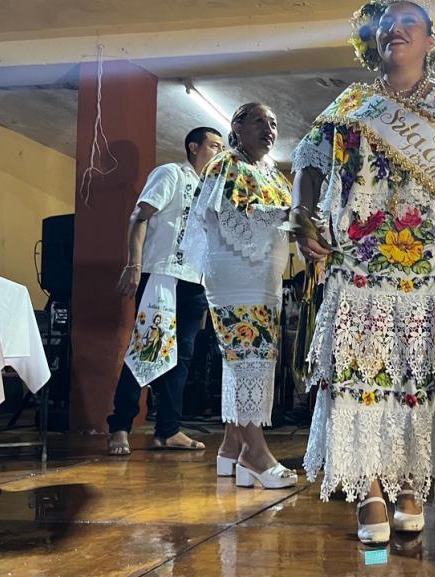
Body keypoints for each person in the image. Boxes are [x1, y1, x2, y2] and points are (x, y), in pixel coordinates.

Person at [290, 0, 435, 544]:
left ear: (432, 40)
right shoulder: (353, 103)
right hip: (362, 268)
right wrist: (302, 217)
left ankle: (410, 483)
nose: (395, 30)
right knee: (363, 379)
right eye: (387, 24)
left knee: (423, 379)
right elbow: (306, 160)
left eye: (410, 23)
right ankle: (369, 490)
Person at [181, 103, 297, 489]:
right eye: (260, 121)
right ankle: (255, 452)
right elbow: (237, 217)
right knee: (248, 355)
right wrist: (285, 216)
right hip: (236, 276)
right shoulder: (227, 165)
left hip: (265, 277)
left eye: (274, 122)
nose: (269, 129)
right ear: (237, 126)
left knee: (251, 360)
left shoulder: (271, 173)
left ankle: (231, 447)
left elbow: (287, 214)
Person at [106, 127, 221, 456]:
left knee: (181, 357)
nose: (219, 152)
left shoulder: (212, 190)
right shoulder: (171, 173)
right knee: (147, 346)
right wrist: (133, 264)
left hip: (195, 281)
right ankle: (119, 425)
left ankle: (168, 429)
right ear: (193, 147)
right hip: (163, 274)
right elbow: (140, 217)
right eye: (214, 146)